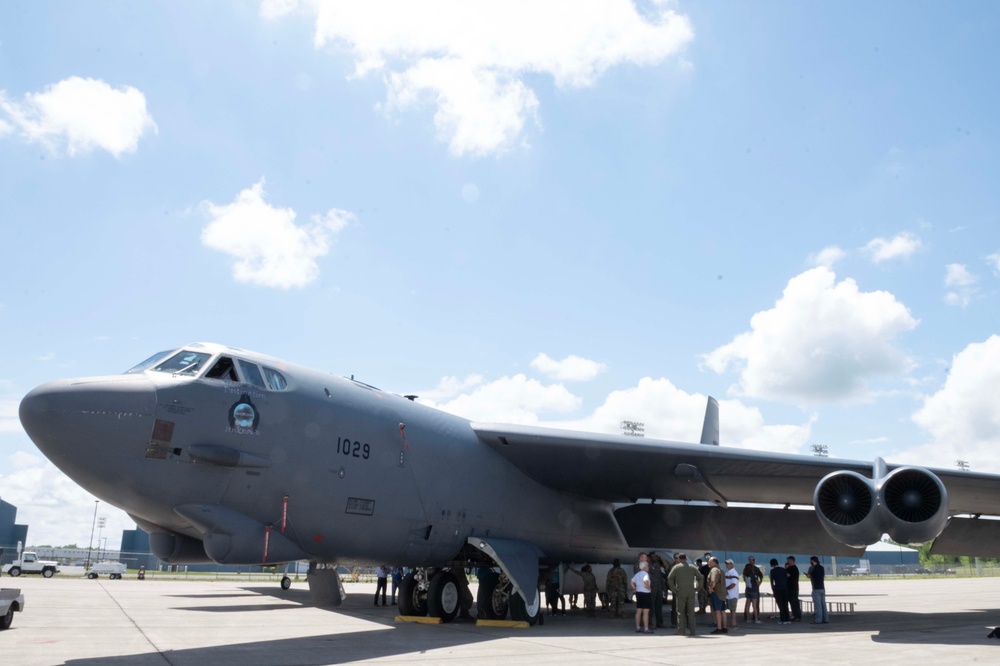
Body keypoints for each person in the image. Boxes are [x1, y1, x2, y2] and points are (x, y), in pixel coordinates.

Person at [667, 552, 701, 636]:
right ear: (686, 559)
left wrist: (673, 588)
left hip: (680, 591)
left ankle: (681, 630)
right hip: (691, 591)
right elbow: (700, 577)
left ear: (679, 559)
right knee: (691, 612)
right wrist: (698, 588)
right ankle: (692, 631)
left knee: (680, 612)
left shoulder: (676, 567)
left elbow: (669, 578)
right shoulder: (692, 567)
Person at [706, 556, 728, 634]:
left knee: (717, 611)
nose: (708, 563)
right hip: (722, 593)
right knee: (722, 611)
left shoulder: (714, 570)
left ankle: (719, 628)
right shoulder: (721, 570)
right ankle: (724, 627)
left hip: (716, 593)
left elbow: (713, 581)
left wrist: (710, 589)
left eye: (710, 562)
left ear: (715, 562)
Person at [631, 559, 653, 633]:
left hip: (638, 593)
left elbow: (631, 581)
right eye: (647, 566)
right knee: (646, 611)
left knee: (638, 610)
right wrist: (648, 587)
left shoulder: (637, 574)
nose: (648, 567)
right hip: (645, 593)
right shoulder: (645, 574)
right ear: (644, 567)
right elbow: (645, 580)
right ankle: (646, 628)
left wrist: (634, 588)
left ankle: (637, 627)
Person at [807, 556, 829, 624]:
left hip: (816, 588)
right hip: (822, 588)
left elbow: (810, 576)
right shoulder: (821, 567)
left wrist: (808, 575)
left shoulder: (813, 568)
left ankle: (818, 620)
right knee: (823, 605)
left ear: (813, 561)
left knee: (818, 606)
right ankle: (825, 619)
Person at [769, 558, 790, 624]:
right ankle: (787, 619)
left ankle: (783, 619)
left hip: (778, 589)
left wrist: (773, 590)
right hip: (785, 588)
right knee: (785, 604)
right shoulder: (783, 569)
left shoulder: (773, 571)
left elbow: (772, 581)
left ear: (772, 564)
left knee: (780, 605)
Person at [742, 556, 763, 623]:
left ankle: (747, 618)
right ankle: (756, 619)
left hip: (748, 589)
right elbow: (758, 581)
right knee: (754, 605)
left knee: (747, 604)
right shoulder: (754, 573)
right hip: (754, 590)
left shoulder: (745, 573)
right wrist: (759, 583)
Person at [649, 553, 666, 628]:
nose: (654, 558)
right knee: (651, 607)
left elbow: (661, 576)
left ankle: (659, 623)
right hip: (651, 588)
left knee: (659, 606)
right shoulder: (647, 566)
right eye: (653, 557)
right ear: (650, 557)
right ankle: (650, 623)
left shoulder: (658, 565)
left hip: (658, 587)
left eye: (655, 557)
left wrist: (664, 588)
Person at [724, 558, 740, 629]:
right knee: (731, 609)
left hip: (733, 594)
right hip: (728, 595)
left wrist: (725, 589)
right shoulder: (727, 572)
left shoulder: (734, 573)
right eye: (726, 564)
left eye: (728, 563)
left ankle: (734, 623)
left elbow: (733, 584)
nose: (727, 565)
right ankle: (733, 623)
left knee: (733, 610)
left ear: (732, 564)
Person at [786, 556, 802, 622]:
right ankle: (794, 615)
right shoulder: (790, 568)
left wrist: (785, 569)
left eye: (788, 560)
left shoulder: (793, 568)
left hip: (793, 588)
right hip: (790, 588)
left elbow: (788, 575)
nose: (787, 562)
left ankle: (797, 616)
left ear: (792, 561)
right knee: (792, 602)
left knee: (794, 602)